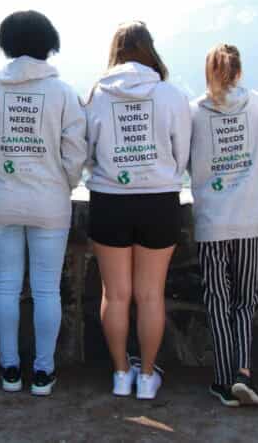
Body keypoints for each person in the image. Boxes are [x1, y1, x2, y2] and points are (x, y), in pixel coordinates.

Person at [0, 11, 86, 397]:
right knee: (47, 290)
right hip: (50, 202)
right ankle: (43, 372)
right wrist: (60, 183)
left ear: (6, 44)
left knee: (5, 285)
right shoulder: (64, 93)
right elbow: (74, 155)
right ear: (48, 43)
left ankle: (9, 369)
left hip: (2, 199)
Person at [84, 21, 191, 400]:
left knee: (115, 295)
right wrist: (161, 175)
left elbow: (88, 148)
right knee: (150, 295)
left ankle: (119, 373)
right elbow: (183, 153)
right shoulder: (171, 95)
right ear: (150, 50)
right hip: (159, 200)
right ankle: (146, 377)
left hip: (110, 199)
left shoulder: (98, 93)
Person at [188, 44, 258, 408]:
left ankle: (222, 380)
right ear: (239, 71)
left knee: (218, 301)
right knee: (245, 302)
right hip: (249, 220)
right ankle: (243, 373)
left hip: (211, 221)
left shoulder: (195, 112)